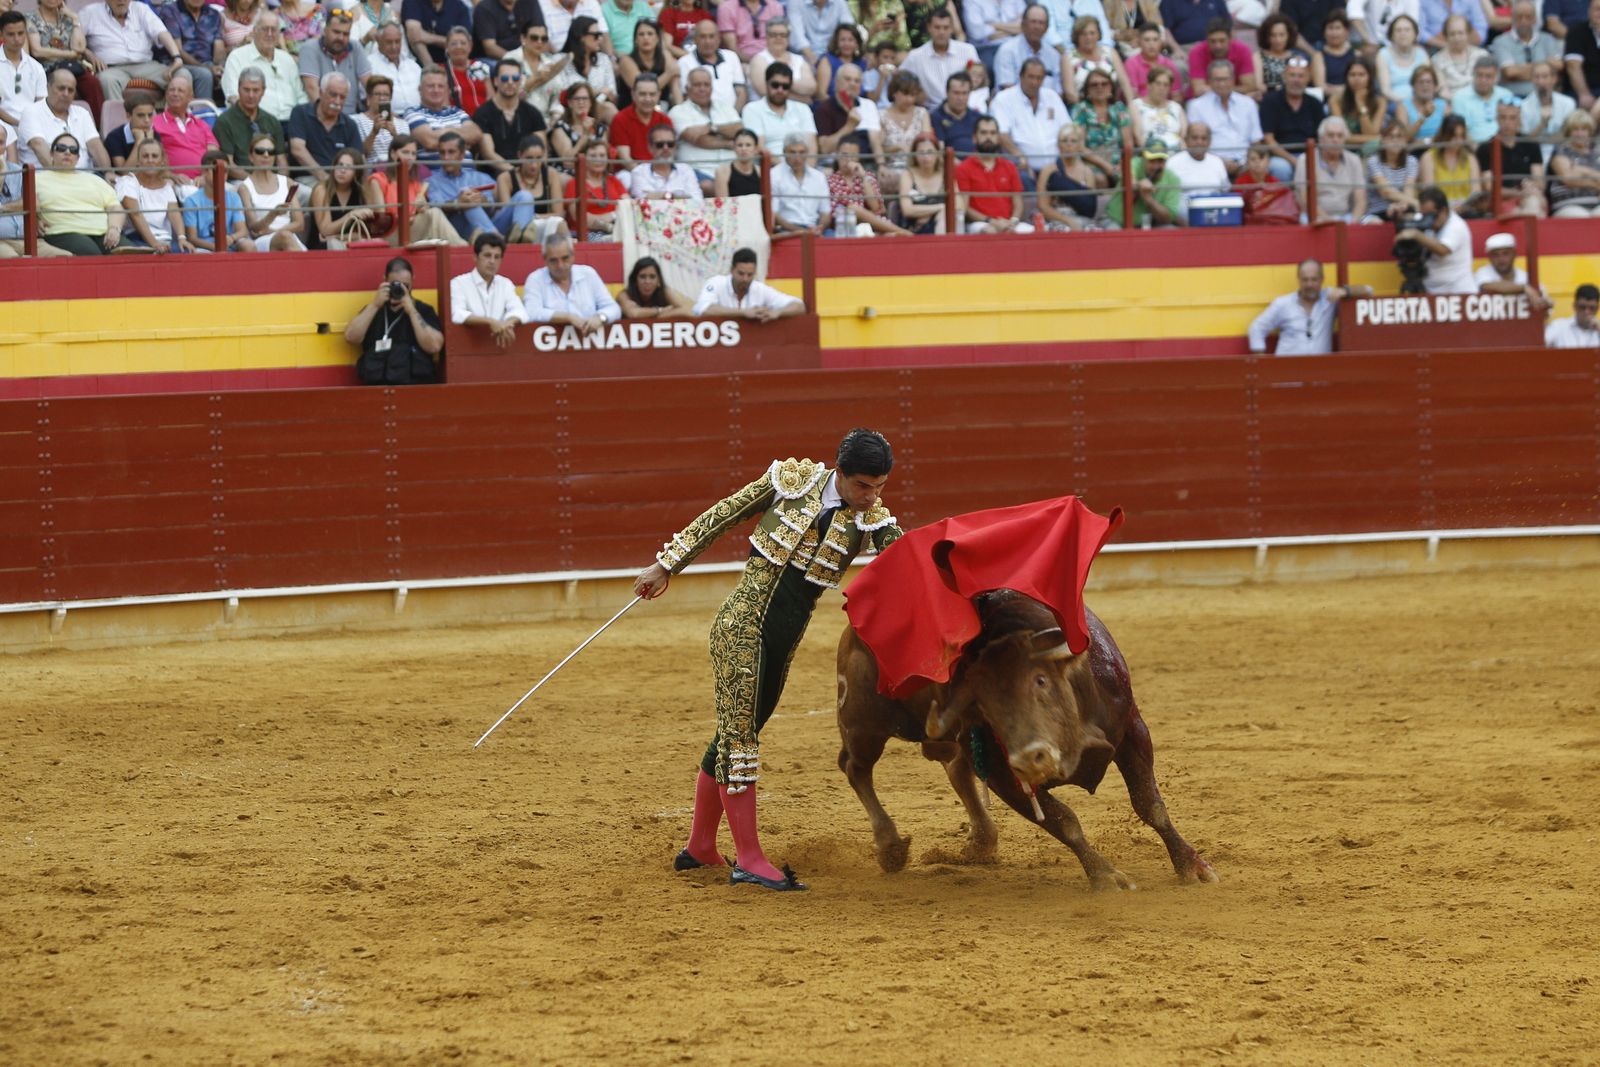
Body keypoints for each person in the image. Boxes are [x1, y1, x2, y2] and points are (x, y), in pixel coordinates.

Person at [636, 426, 900, 891]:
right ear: (840, 472)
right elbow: (721, 515)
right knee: (740, 741)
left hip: (783, 643)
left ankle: (700, 847)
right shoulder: (789, 481)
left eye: (879, 487)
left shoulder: (872, 520)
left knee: (736, 733)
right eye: (863, 485)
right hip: (741, 627)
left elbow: (907, 563)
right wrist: (665, 565)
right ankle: (749, 860)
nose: (871, 496)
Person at [346, 256, 445, 384]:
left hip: (415, 387)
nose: (400, 289)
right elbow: (351, 338)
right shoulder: (373, 310)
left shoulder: (423, 310)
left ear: (413, 280)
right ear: (385, 280)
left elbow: (434, 346)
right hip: (378, 387)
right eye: (395, 285)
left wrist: (412, 311)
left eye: (405, 286)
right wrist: (374, 305)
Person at [1247, 258, 1371, 355]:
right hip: (1288, 372)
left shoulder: (1330, 299)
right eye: (1305, 280)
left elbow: (1368, 290)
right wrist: (1261, 361)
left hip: (1319, 373)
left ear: (1322, 279)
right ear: (1299, 280)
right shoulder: (1283, 303)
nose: (1309, 284)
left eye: (1314, 279)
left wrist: (1346, 291)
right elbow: (1257, 328)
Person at [34, 134, 126, 254]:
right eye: (61, 148)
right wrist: (35, 219)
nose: (67, 152)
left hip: (103, 232)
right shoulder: (36, 179)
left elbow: (114, 206)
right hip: (63, 232)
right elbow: (25, 205)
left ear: (78, 158)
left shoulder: (95, 179)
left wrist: (114, 228)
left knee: (132, 254)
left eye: (73, 150)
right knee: (91, 253)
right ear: (51, 154)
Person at [79, 0, 184, 103]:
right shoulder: (90, 12)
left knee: (182, 74)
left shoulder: (141, 9)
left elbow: (161, 32)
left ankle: (172, 114)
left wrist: (177, 57)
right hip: (112, 68)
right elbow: (75, 41)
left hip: (146, 66)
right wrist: (88, 53)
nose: (121, 1)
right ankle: (117, 115)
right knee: (106, 80)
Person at [370, 132, 467, 243]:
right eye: (405, 152)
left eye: (413, 154)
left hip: (412, 231)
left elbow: (423, 213)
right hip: (390, 234)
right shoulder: (378, 180)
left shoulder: (416, 184)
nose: (410, 158)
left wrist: (423, 208)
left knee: (433, 215)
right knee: (435, 214)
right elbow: (381, 222)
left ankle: (461, 247)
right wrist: (404, 219)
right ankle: (462, 248)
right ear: (393, 154)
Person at [23, 0, 106, 127]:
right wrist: (69, 54)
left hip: (72, 67)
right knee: (60, 84)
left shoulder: (68, 18)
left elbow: (79, 47)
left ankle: (98, 127)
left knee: (92, 83)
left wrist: (75, 19)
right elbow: (37, 51)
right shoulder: (30, 18)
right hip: (47, 67)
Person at [521, 228, 621, 334]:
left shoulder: (588, 274)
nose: (560, 265)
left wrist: (600, 317)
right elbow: (531, 312)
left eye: (565, 258)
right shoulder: (535, 279)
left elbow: (613, 308)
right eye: (553, 260)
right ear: (545, 260)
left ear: (573, 256)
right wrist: (568, 317)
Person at [991, 57, 1070, 182]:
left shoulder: (1052, 96)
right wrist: (1020, 156)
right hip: (1022, 167)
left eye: (1039, 78)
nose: (1035, 82)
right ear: (1021, 76)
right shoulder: (1003, 99)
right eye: (1031, 77)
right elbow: (1002, 135)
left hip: (1057, 167)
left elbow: (1067, 129)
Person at [221, 13, 307, 121]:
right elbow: (233, 96)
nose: (269, 34)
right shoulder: (237, 57)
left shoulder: (287, 59)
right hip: (256, 123)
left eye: (274, 30)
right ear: (254, 31)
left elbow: (301, 96)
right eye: (265, 29)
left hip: (292, 122)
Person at [19, 67, 108, 170]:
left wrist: (108, 172)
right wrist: (62, 177)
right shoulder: (32, 111)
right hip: (46, 175)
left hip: (84, 176)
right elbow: (38, 145)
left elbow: (96, 146)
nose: (66, 94)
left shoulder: (82, 113)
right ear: (48, 88)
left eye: (71, 90)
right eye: (61, 88)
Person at [115, 136, 195, 252]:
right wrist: (155, 245)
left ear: (162, 161)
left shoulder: (166, 187)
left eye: (155, 156)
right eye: (145, 156)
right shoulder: (127, 182)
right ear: (138, 161)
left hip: (165, 240)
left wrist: (182, 238)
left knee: (187, 251)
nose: (150, 160)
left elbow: (174, 214)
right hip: (137, 238)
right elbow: (136, 216)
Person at [956, 115, 1033, 231]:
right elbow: (965, 207)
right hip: (979, 224)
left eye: (992, 133)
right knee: (989, 231)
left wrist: (1013, 221)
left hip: (1009, 223)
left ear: (998, 138)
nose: (988, 137)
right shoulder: (963, 168)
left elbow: (1018, 202)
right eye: (983, 133)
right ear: (974, 138)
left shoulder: (1010, 166)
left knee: (1035, 233)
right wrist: (991, 221)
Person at [1185, 57, 1261, 175]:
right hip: (1210, 165)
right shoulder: (1196, 106)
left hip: (1247, 165)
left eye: (1226, 79)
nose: (1222, 84)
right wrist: (1219, 162)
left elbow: (1256, 140)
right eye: (1217, 80)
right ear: (1209, 81)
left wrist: (1249, 163)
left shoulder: (1248, 103)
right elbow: (1195, 142)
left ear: (1233, 79)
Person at [451, 231, 525, 347]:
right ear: (475, 257)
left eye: (497, 257)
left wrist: (507, 323)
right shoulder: (458, 283)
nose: (492, 261)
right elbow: (457, 314)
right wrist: (490, 322)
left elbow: (519, 311)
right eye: (487, 255)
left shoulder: (505, 284)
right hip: (469, 346)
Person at [1394, 184, 1473, 293]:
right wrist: (1398, 215)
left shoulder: (1456, 225)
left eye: (1430, 215)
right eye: (1423, 215)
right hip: (1430, 290)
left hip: (1457, 291)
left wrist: (1416, 235)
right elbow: (1408, 221)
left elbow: (1443, 250)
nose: (1427, 220)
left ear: (1443, 210)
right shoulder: (1424, 218)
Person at [238, 130, 308, 250]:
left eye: (271, 152)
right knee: (284, 237)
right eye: (260, 151)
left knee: (285, 237)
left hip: (288, 237)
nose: (266, 155)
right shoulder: (245, 187)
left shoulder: (287, 182)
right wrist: (273, 214)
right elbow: (254, 227)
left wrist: (275, 231)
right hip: (263, 242)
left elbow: (300, 224)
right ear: (250, 156)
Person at [673, 66, 742, 185]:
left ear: (711, 88)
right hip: (698, 171)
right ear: (687, 88)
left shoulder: (725, 107)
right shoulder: (678, 111)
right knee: (712, 187)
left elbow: (739, 130)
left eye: (706, 85)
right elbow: (699, 140)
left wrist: (712, 128)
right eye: (697, 85)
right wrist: (728, 143)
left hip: (732, 169)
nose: (702, 89)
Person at [426, 129, 502, 239]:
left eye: (451, 152)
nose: (446, 157)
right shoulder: (431, 180)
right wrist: (458, 203)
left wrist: (484, 200)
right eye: (442, 152)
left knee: (523, 196)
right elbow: (436, 206)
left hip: (485, 223)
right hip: (453, 229)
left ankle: (520, 234)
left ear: (462, 155)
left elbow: (497, 204)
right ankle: (494, 239)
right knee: (468, 202)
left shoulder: (480, 177)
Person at [288, 72, 363, 182]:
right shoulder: (301, 113)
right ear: (321, 93)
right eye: (333, 95)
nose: (337, 101)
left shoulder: (349, 125)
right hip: (308, 178)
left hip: (340, 181)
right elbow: (297, 149)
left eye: (342, 97)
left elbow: (357, 159)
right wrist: (323, 177)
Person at [474, 58, 547, 170]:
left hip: (529, 172)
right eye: (504, 78)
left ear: (520, 81)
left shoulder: (533, 113)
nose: (510, 82)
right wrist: (515, 173)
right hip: (493, 174)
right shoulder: (482, 113)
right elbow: (488, 154)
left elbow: (542, 150)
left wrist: (532, 172)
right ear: (495, 81)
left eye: (515, 78)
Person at [1258, 52, 1321, 180]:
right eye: (1292, 75)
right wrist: (1293, 160)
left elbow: (1321, 138)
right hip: (1281, 156)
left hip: (1310, 155)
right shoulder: (1270, 101)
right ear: (1284, 76)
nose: (1296, 80)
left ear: (1308, 78)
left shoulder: (1315, 103)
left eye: (1301, 76)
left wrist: (1307, 160)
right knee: (1280, 168)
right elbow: (1268, 139)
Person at [493, 132, 567, 241]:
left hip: (536, 225)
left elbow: (559, 213)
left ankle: (524, 237)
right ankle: (521, 237)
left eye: (538, 158)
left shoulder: (551, 174)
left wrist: (532, 217)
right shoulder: (505, 178)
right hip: (507, 228)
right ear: (520, 156)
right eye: (529, 158)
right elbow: (508, 214)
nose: (534, 165)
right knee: (525, 196)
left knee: (559, 223)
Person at [215, 69, 289, 178]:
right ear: (238, 89)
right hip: (239, 181)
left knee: (304, 189)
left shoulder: (272, 121)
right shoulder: (224, 121)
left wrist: (282, 182)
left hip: (272, 180)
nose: (251, 95)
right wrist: (255, 182)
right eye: (246, 90)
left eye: (256, 90)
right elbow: (228, 164)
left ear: (263, 91)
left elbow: (281, 161)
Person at [1477, 100, 1546, 215]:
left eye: (1512, 118)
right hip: (1501, 202)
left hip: (1530, 195)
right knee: (1532, 208)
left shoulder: (1531, 145)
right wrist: (1518, 192)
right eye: (1503, 118)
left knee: (1533, 202)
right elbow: (1489, 187)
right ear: (1496, 119)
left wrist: (1530, 186)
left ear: (1519, 120)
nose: (1507, 122)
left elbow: (1540, 183)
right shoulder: (1486, 148)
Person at [1292, 114, 1367, 222]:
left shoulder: (1354, 160)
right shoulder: (1305, 160)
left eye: (1340, 136)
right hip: (1315, 217)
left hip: (1347, 217)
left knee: (1375, 222)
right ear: (1321, 139)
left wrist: (1353, 223)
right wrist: (1331, 223)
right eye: (1331, 135)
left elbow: (1361, 200)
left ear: (1344, 140)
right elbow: (1305, 200)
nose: (1335, 140)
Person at [827, 138, 911, 233]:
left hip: (871, 226)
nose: (848, 159)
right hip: (843, 226)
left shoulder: (868, 177)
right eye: (844, 155)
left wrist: (863, 177)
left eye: (853, 155)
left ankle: (898, 233)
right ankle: (901, 231)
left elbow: (876, 207)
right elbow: (833, 212)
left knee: (889, 235)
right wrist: (860, 213)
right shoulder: (829, 180)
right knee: (853, 208)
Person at [902, 6, 978, 109]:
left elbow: (979, 81)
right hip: (931, 111)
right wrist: (917, 93)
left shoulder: (968, 51)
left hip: (964, 108)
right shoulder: (915, 56)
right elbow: (900, 80)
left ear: (952, 28)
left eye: (946, 28)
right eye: (937, 27)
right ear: (929, 28)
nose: (941, 32)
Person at [179, 148, 255, 252]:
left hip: (229, 243)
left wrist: (232, 238)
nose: (222, 174)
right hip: (204, 248)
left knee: (249, 245)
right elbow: (192, 238)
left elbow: (242, 230)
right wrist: (217, 248)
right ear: (204, 171)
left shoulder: (234, 197)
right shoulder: (191, 201)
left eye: (225, 171)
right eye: (216, 170)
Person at [1034, 122, 1106, 228]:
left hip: (1083, 219)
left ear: (1080, 146)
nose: (1069, 145)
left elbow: (1089, 206)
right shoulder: (1048, 171)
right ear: (1058, 145)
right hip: (1056, 219)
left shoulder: (1087, 172)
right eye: (1064, 141)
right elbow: (1043, 206)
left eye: (1073, 141)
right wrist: (1068, 221)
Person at [299, 9, 372, 114]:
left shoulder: (355, 47)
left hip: (353, 116)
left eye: (345, 34)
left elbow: (370, 84)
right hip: (321, 116)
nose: (341, 38)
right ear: (325, 30)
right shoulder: (310, 48)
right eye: (336, 32)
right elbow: (312, 88)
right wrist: (330, 119)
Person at [405, 65, 482, 161]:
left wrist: (445, 131)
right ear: (420, 89)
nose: (436, 90)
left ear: (447, 90)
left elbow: (476, 134)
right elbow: (430, 141)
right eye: (430, 86)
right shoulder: (413, 113)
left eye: (440, 86)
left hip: (468, 169)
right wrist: (462, 141)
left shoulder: (457, 112)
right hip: (436, 169)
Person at [151, 70, 219, 178]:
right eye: (172, 90)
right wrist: (172, 176)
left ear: (190, 97)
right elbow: (150, 158)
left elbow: (213, 155)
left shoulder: (201, 124)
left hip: (204, 180)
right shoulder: (154, 123)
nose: (175, 94)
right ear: (166, 95)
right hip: (171, 181)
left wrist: (205, 177)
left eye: (180, 91)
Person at [307, 146, 379, 247]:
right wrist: (350, 215)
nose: (342, 170)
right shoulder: (322, 190)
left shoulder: (362, 191)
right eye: (340, 165)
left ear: (356, 173)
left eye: (349, 167)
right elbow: (325, 230)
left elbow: (368, 231)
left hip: (352, 245)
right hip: (323, 248)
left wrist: (338, 236)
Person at [155, 0, 224, 105]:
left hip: (206, 63)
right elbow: (178, 50)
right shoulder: (170, 12)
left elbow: (219, 47)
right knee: (204, 74)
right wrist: (207, 68)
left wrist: (219, 66)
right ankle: (203, 112)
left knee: (228, 72)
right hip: (177, 63)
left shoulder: (213, 14)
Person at [1333, 53, 1406, 151]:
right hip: (1343, 149)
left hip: (1370, 150)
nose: (1357, 79)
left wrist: (1360, 104)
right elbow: (1342, 136)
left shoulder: (1380, 102)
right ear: (1346, 78)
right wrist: (1377, 137)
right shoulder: (1336, 100)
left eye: (1361, 75)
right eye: (1352, 75)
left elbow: (1371, 134)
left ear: (1370, 77)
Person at [742, 61, 818, 154]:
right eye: (775, 85)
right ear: (766, 83)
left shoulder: (803, 109)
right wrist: (781, 164)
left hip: (801, 162)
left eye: (785, 86)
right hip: (768, 162)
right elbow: (759, 147)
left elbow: (812, 147)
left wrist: (809, 164)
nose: (780, 90)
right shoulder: (752, 109)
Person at [1106, 135, 1184, 226]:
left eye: (1160, 161)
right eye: (1152, 160)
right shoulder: (1134, 162)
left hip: (1151, 225)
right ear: (1143, 158)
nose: (1156, 166)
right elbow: (1129, 180)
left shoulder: (1172, 179)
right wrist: (1140, 185)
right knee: (1113, 230)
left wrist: (1148, 199)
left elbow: (1168, 218)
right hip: (1117, 221)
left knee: (1169, 229)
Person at [1491, 1, 1560, 99]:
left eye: (1528, 17)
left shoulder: (1548, 39)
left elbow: (1558, 66)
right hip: (1513, 98)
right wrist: (1545, 66)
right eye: (1519, 17)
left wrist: (1520, 71)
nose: (1523, 21)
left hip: (1544, 97)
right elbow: (1510, 73)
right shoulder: (1501, 41)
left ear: (1535, 19)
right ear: (1512, 18)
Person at [814, 62, 883, 159]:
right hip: (836, 162)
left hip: (866, 159)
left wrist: (881, 163)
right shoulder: (824, 109)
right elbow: (825, 149)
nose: (852, 84)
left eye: (857, 81)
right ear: (836, 81)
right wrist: (849, 126)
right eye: (847, 79)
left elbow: (875, 140)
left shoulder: (868, 105)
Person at [564, 138, 627, 238]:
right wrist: (613, 216)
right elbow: (580, 218)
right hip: (586, 234)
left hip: (616, 229)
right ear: (584, 160)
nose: (598, 159)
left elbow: (627, 206)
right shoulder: (574, 184)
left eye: (602, 155)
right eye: (593, 156)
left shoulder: (614, 180)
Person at [679, 18, 747, 110]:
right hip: (700, 115)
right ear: (695, 40)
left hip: (733, 114)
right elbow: (687, 97)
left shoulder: (731, 56)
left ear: (719, 39)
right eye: (703, 37)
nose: (708, 41)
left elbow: (741, 92)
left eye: (711, 36)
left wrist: (733, 115)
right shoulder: (684, 62)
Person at [770, 130, 831, 232]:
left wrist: (819, 228)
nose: (797, 157)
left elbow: (826, 213)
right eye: (792, 152)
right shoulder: (774, 175)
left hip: (814, 228)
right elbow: (773, 214)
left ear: (807, 153)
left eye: (801, 152)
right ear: (784, 152)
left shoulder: (819, 177)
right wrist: (799, 231)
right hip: (786, 230)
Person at [995, 5, 1063, 94]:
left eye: (1041, 23)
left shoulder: (1054, 55)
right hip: (1013, 101)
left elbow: (1058, 92)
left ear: (1047, 28)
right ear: (1023, 24)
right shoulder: (1007, 51)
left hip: (1047, 102)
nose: (1037, 27)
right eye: (1033, 22)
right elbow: (1007, 90)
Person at [1071, 67, 1133, 165]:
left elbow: (1128, 143)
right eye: (1094, 84)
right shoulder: (1081, 109)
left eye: (1104, 84)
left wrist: (1122, 165)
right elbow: (1080, 146)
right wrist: (1106, 166)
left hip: (1119, 164)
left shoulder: (1119, 108)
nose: (1099, 87)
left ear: (1111, 87)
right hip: (1091, 164)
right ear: (1087, 89)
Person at [1186, 17, 1257, 101]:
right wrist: (1230, 90)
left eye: (1222, 41)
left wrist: (1221, 90)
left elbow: (1250, 86)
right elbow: (1198, 90)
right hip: (1203, 101)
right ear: (1207, 39)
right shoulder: (1196, 52)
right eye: (1213, 41)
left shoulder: (1242, 50)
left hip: (1235, 99)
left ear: (1230, 39)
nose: (1218, 46)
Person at [560, 14, 619, 117]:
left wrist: (602, 96)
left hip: (597, 109)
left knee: (608, 108)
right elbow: (563, 94)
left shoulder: (603, 59)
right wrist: (598, 91)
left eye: (600, 35)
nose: (600, 39)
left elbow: (612, 93)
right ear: (582, 37)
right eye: (596, 35)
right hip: (569, 113)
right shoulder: (562, 61)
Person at [608, 70, 672, 163]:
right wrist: (642, 172)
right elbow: (625, 159)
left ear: (659, 95)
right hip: (629, 170)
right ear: (633, 94)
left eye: (652, 94)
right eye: (642, 94)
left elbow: (668, 155)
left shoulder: (665, 121)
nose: (647, 99)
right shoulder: (620, 119)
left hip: (658, 168)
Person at [1, 10, 47, 138]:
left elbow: (41, 104)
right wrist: (18, 124)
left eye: (21, 33)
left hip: (32, 126)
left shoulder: (36, 67)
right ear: (1, 35)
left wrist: (28, 124)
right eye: (11, 34)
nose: (17, 39)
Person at [618, 18, 683, 109]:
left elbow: (675, 85)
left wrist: (681, 109)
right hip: (632, 109)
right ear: (636, 39)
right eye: (641, 34)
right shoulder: (626, 61)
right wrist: (668, 74)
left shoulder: (665, 55)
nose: (646, 38)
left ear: (657, 38)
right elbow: (642, 89)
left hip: (661, 108)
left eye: (650, 34)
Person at [1474, 231, 1550, 308]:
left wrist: (1544, 303)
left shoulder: (1524, 276)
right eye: (1495, 255)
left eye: (1505, 253)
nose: (1501, 259)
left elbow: (1544, 300)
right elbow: (1487, 285)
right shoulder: (1483, 273)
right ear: (1489, 257)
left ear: (1514, 254)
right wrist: (1524, 288)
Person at [1418, 113, 1480, 209]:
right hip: (1440, 211)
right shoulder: (1428, 158)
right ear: (1444, 135)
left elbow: (1476, 192)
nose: (1458, 141)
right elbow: (1429, 195)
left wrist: (1462, 207)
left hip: (1466, 210)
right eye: (1454, 136)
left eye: (1461, 136)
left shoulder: (1470, 158)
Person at [1067, 15, 1132, 104]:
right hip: (1083, 106)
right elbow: (1069, 93)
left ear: (1098, 34)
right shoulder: (1069, 57)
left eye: (1092, 33)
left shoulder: (1110, 52)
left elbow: (1124, 82)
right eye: (1083, 34)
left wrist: (1131, 103)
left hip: (1112, 105)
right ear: (1076, 36)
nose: (1088, 37)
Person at [1165, 120, 1229, 210]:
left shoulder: (1217, 162)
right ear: (1186, 140)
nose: (1199, 142)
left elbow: (1225, 192)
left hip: (1213, 216)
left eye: (1204, 138)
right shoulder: (1173, 163)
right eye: (1194, 138)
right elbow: (1165, 199)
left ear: (1210, 142)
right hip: (1180, 218)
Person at [1521, 61, 1576, 165]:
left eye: (1545, 77)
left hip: (1564, 154)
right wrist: (1542, 125)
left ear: (1554, 79)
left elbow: (1569, 135)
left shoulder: (1568, 103)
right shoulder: (1523, 106)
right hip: (1533, 156)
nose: (1540, 81)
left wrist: (1540, 139)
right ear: (1531, 80)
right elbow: (1524, 141)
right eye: (1536, 77)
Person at [749, 18, 816, 103]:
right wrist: (801, 98)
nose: (778, 38)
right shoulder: (759, 59)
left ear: (788, 38)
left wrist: (777, 82)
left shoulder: (799, 60)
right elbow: (764, 91)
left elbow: (811, 88)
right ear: (766, 37)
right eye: (773, 35)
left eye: (783, 35)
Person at [1366, 118, 1421, 221]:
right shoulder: (1373, 161)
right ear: (1383, 140)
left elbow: (1409, 190)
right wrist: (1415, 202)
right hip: (1377, 212)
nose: (1395, 140)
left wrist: (1401, 206)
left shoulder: (1412, 161)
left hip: (1402, 209)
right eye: (1391, 136)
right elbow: (1386, 192)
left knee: (1410, 219)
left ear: (1405, 140)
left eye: (1399, 136)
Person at [1451, 55, 1514, 144]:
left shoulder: (1506, 95)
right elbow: (1462, 132)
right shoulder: (1460, 97)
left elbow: (1513, 126)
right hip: (1473, 147)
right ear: (1473, 75)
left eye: (1488, 76)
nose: (1483, 80)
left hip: (1503, 146)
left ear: (1496, 78)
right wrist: (1479, 150)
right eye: (1479, 75)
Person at [1548, 110, 1600, 215]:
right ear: (1569, 132)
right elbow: (1568, 178)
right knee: (1580, 215)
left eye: (1584, 129)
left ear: (1589, 131)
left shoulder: (1597, 152)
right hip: (1567, 203)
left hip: (1596, 203)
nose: (1580, 134)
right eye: (1575, 129)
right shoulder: (1561, 151)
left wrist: (1582, 170)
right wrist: (1595, 184)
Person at [629, 125, 704, 198]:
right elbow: (642, 199)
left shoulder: (686, 170)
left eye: (670, 144)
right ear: (650, 148)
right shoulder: (639, 172)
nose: (666, 148)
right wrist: (674, 196)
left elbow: (697, 199)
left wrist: (658, 196)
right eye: (660, 145)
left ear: (675, 147)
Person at [1234, 140, 1300, 223]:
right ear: (1247, 162)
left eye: (1261, 158)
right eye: (1253, 159)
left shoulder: (1274, 181)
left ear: (1268, 162)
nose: (1257, 162)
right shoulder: (1240, 182)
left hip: (1271, 221)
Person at [897, 131, 947, 232]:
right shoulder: (907, 175)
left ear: (938, 153)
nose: (926, 157)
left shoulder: (945, 173)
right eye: (921, 152)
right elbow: (907, 210)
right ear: (914, 155)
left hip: (942, 225)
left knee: (944, 215)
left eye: (930, 151)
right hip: (914, 230)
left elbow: (960, 205)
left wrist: (928, 213)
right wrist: (940, 207)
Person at [370, 24, 424, 115]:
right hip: (388, 117)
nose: (394, 47)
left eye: (397, 41)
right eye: (389, 42)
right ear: (378, 40)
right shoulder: (370, 65)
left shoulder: (413, 65)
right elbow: (368, 99)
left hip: (420, 116)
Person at [1432, 14, 1488, 101]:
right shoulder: (1436, 60)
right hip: (1452, 102)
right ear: (1446, 36)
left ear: (1468, 34)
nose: (1457, 38)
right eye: (1452, 34)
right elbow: (1442, 90)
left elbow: (1488, 85)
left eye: (1461, 33)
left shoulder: (1482, 56)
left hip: (1480, 100)